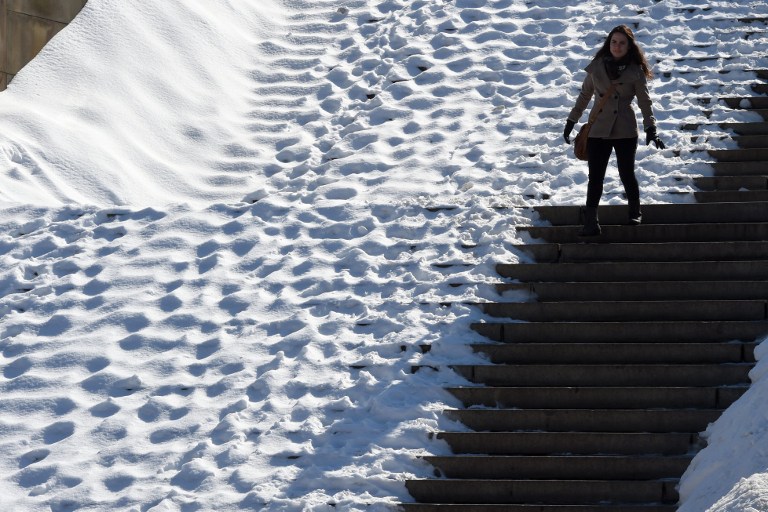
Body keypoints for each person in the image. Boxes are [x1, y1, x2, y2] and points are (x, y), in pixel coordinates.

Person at [563, 24, 665, 236]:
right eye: (614, 42)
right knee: (596, 176)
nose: (617, 46)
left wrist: (651, 127)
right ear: (609, 44)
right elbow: (584, 95)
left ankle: (634, 211)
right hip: (598, 129)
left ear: (629, 47)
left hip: (625, 130)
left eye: (622, 43)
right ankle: (591, 222)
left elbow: (645, 101)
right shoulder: (597, 67)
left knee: (626, 172)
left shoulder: (635, 71)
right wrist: (572, 120)